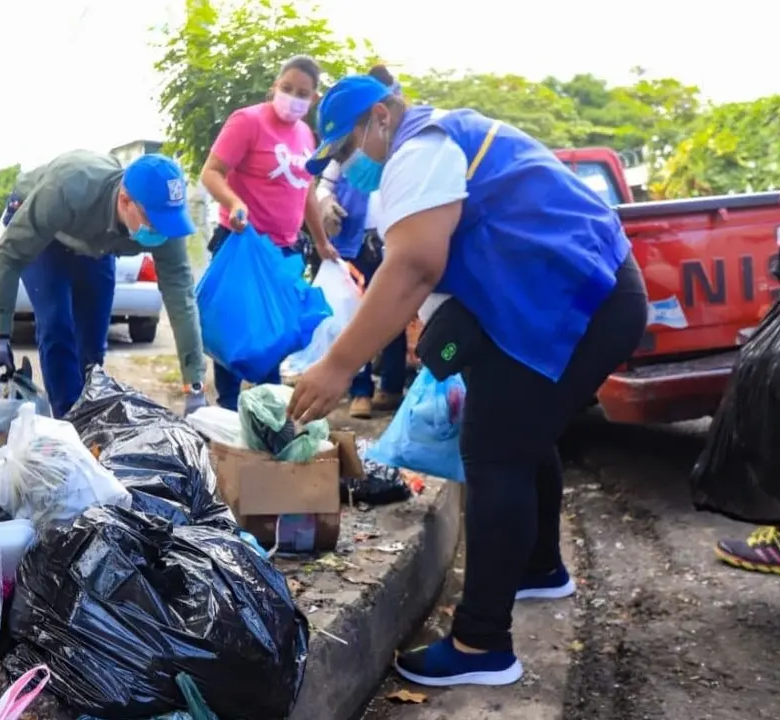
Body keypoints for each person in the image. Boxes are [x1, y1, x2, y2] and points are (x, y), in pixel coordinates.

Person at [290, 75, 648, 687]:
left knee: (495, 452)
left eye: (348, 149)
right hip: (583, 296)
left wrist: (339, 365)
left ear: (380, 117)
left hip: (578, 302)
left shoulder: (420, 149)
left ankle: (483, 645)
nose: (351, 166)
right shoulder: (442, 136)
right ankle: (539, 567)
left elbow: (414, 266)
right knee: (520, 435)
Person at [0, 151, 208, 418]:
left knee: (92, 344)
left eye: (167, 223)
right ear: (125, 201)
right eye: (153, 223)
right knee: (56, 326)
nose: (162, 231)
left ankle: (89, 417)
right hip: (47, 233)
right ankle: (70, 423)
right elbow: (9, 256)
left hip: (96, 244)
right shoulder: (67, 188)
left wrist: (194, 386)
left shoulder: (164, 220)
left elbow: (181, 297)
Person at [199, 55, 338, 411]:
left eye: (302, 92)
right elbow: (212, 172)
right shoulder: (247, 121)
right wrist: (234, 203)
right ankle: (228, 412)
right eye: (287, 88)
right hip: (242, 243)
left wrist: (321, 241)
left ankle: (268, 412)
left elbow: (305, 191)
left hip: (283, 252)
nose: (293, 96)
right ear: (274, 86)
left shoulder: (306, 134)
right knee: (234, 331)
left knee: (274, 335)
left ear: (313, 98)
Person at [316, 64, 407, 419]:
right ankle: (360, 390)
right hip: (356, 242)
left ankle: (392, 388)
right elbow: (324, 182)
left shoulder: (405, 150)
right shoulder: (354, 145)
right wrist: (326, 203)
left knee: (394, 313)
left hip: (395, 242)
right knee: (357, 316)